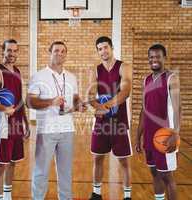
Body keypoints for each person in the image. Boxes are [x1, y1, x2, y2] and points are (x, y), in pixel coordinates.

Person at [27, 41, 86, 200]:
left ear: (66, 54)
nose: (59, 53)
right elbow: (30, 102)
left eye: (63, 51)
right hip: (46, 130)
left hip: (67, 129)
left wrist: (79, 104)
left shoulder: (72, 77)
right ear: (50, 52)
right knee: (41, 171)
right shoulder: (39, 76)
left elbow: (74, 98)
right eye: (56, 50)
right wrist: (50, 102)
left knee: (66, 171)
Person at [88, 36, 132, 200]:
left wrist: (106, 106)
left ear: (112, 48)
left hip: (119, 121)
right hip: (101, 122)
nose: (103, 51)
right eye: (99, 49)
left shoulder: (123, 67)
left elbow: (126, 90)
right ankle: (96, 193)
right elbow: (91, 94)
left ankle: (127, 196)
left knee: (123, 161)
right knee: (98, 158)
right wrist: (96, 106)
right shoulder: (95, 70)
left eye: (105, 47)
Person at [0, 39, 30, 200]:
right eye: (9, 50)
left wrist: (26, 122)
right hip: (3, 124)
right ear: (2, 51)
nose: (12, 54)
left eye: (15, 51)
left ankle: (7, 196)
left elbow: (20, 100)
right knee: (1, 163)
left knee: (12, 161)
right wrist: (3, 109)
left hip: (17, 122)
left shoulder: (17, 71)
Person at [135, 44, 181, 200]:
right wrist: (137, 135)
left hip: (165, 136)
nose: (154, 60)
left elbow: (178, 108)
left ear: (164, 58)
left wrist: (175, 134)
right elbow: (144, 109)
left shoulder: (171, 78)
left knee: (167, 175)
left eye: (158, 57)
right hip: (149, 136)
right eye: (151, 57)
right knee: (154, 172)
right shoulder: (146, 80)